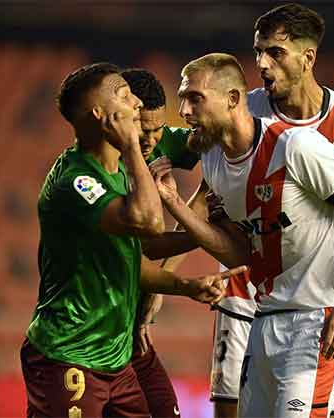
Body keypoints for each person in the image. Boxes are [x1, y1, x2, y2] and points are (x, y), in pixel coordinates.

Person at [149, 53, 334, 418]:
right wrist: (174, 203)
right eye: (183, 98)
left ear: (231, 99)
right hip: (263, 320)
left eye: (195, 98)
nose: (184, 110)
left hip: (314, 322)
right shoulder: (215, 160)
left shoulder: (295, 147)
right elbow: (241, 254)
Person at [20, 62, 245, 418]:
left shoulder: (124, 161)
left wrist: (185, 283)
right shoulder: (79, 183)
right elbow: (150, 225)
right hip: (69, 354)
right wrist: (131, 149)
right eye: (126, 98)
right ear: (102, 115)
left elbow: (133, 260)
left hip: (117, 352)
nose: (137, 106)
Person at [204, 4, 334, 417]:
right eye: (258, 53)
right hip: (246, 289)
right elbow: (205, 195)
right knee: (230, 408)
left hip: (312, 302)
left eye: (275, 53)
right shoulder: (243, 110)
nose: (262, 64)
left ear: (308, 58)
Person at [121, 67, 203, 418]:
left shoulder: (163, 140)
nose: (152, 140)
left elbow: (222, 160)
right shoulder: (99, 166)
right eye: (143, 129)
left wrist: (160, 286)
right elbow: (145, 245)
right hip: (98, 332)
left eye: (158, 129)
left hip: (135, 333)